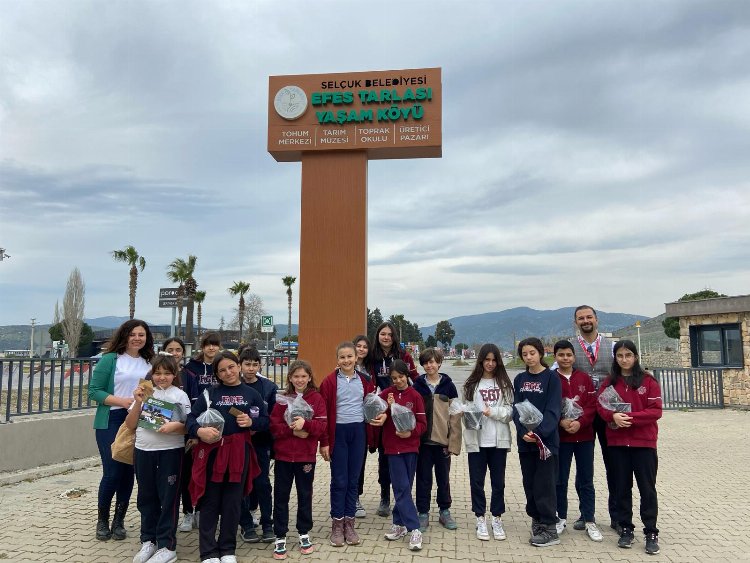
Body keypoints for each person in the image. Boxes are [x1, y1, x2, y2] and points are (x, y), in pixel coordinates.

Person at [185, 351, 267, 563]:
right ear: (217, 374)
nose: (228, 372)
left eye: (231, 367)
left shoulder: (251, 394)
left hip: (239, 453)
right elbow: (190, 419)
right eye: (222, 370)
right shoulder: (209, 394)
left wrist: (252, 423)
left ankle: (228, 549)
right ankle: (208, 552)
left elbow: (265, 421)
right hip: (213, 453)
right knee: (210, 502)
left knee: (233, 502)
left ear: (239, 366)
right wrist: (199, 431)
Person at [89, 319, 155, 541]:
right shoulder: (110, 359)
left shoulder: (150, 362)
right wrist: (123, 401)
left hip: (138, 420)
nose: (137, 338)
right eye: (132, 334)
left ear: (147, 338)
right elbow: (94, 391)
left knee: (128, 473)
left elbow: (154, 392)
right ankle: (102, 520)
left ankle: (119, 521)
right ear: (124, 336)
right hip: (112, 418)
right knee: (112, 472)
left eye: (141, 335)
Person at [597, 340, 663, 555]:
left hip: (644, 444)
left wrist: (629, 418)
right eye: (620, 356)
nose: (624, 359)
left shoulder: (648, 381)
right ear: (615, 358)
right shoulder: (610, 382)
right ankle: (626, 528)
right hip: (617, 444)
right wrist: (612, 416)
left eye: (628, 355)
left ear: (635, 357)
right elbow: (600, 406)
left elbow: (656, 411)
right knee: (622, 488)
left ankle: (651, 532)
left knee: (647, 489)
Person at [127, 354, 191, 563]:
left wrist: (175, 426)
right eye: (157, 373)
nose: (162, 377)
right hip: (143, 450)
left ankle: (167, 545)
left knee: (168, 498)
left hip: (170, 451)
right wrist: (138, 402)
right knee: (146, 497)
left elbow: (188, 427)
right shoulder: (145, 392)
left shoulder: (180, 395)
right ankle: (149, 540)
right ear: (151, 374)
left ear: (174, 374)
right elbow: (130, 424)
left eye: (167, 373)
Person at [319, 341, 377, 547]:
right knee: (339, 480)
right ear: (337, 359)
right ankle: (337, 524)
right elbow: (322, 414)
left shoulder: (365, 380)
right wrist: (324, 442)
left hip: (358, 433)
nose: (346, 360)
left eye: (349, 356)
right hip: (339, 434)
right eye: (342, 357)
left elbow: (371, 406)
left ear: (356, 358)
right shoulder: (329, 382)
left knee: (353, 480)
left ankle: (349, 524)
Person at [269, 360, 327, 560]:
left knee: (305, 495)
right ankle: (280, 535)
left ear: (309, 377)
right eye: (296, 376)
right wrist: (292, 430)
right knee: (281, 496)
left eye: (303, 376)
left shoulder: (316, 399)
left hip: (305, 457)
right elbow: (274, 427)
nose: (300, 380)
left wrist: (306, 425)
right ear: (290, 378)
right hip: (284, 457)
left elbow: (321, 426)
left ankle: (304, 532)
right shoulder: (282, 399)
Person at [569, 305, 618, 530]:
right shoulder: (569, 348)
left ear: (597, 320)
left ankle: (617, 516)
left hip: (608, 414)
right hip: (583, 415)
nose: (585, 321)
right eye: (581, 318)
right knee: (583, 468)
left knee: (615, 466)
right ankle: (585, 513)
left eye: (589, 317)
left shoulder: (613, 347)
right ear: (576, 322)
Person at [513, 337, 562, 548]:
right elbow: (516, 408)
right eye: (524, 354)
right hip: (526, 442)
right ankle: (537, 520)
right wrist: (523, 431)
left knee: (545, 485)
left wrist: (539, 433)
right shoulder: (520, 379)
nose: (529, 357)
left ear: (540, 353)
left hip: (546, 443)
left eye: (532, 353)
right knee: (530, 484)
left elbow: (553, 410)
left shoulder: (552, 378)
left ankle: (550, 527)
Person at [462, 343, 514, 542]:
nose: (490, 364)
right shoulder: (471, 384)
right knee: (477, 482)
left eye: (494, 360)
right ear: (481, 361)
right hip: (477, 441)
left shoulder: (504, 384)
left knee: (498, 482)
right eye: (487, 360)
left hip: (498, 441)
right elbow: (465, 409)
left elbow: (510, 412)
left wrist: (491, 411)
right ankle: (480, 518)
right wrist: (469, 415)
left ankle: (497, 518)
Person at [552, 340, 602, 541]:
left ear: (574, 357)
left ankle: (589, 519)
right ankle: (560, 518)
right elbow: (549, 406)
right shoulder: (552, 379)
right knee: (560, 479)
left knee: (586, 480)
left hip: (585, 436)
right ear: (555, 357)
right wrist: (560, 421)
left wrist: (581, 422)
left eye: (568, 355)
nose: (565, 358)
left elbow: (592, 405)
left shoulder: (584, 378)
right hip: (562, 438)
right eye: (561, 355)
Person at [368, 321, 419, 517]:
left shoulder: (403, 356)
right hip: (382, 408)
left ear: (394, 337)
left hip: (402, 410)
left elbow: (415, 378)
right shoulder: (373, 356)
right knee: (384, 457)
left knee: (404, 454)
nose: (386, 337)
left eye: (390, 334)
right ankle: (384, 497)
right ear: (378, 336)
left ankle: (403, 498)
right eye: (383, 334)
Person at [380, 360, 427, 551]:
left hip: (411, 448)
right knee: (401, 488)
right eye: (394, 378)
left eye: (400, 377)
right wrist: (385, 409)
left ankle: (399, 524)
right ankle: (415, 528)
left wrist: (411, 433)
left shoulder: (415, 396)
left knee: (404, 488)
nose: (398, 381)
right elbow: (374, 409)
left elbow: (422, 424)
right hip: (393, 449)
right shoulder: (386, 394)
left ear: (407, 375)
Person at [413, 347, 461, 531]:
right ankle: (423, 513)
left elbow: (455, 416)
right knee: (423, 479)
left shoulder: (449, 386)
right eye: (426, 362)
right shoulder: (417, 386)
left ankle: (444, 511)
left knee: (443, 479)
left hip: (443, 443)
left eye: (432, 362)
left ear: (439, 363)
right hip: (423, 443)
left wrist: (453, 443)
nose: (429, 365)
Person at [179, 332, 221, 532]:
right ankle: (188, 511)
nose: (211, 348)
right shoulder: (191, 369)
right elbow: (186, 397)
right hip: (194, 425)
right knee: (188, 471)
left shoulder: (222, 366)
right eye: (208, 345)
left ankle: (203, 510)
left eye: (215, 345)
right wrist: (193, 430)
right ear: (202, 347)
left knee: (210, 471)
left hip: (217, 427)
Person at [238, 347, 278, 544]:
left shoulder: (269, 387)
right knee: (241, 483)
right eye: (247, 364)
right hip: (238, 444)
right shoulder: (233, 386)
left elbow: (273, 418)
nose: (251, 368)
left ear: (260, 366)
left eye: (255, 364)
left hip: (261, 443)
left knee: (262, 483)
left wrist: (255, 426)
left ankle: (267, 523)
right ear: (240, 365)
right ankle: (246, 524)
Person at [352, 334, 372, 518]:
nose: (361, 349)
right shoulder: (342, 368)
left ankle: (356, 497)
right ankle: (343, 498)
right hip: (345, 422)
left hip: (364, 422)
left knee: (360, 461)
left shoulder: (370, 369)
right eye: (358, 346)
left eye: (365, 347)